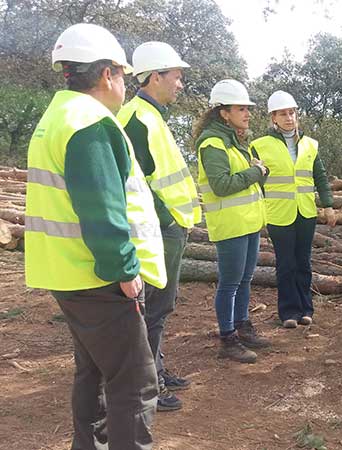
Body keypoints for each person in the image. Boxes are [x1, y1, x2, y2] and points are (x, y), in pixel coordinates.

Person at [25, 23, 166, 449]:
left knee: (91, 371)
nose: (124, 83)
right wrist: (124, 269)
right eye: (122, 74)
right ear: (107, 74)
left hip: (67, 274)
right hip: (100, 278)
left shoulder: (56, 117)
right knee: (136, 385)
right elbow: (102, 209)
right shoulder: (89, 123)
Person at [117, 41, 199, 412]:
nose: (180, 84)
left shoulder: (153, 116)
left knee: (160, 309)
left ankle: (157, 370)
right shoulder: (136, 119)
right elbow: (135, 180)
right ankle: (146, 386)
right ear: (155, 76)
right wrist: (167, 219)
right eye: (176, 76)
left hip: (169, 227)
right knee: (151, 310)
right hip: (157, 230)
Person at [193, 79, 269, 363]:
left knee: (245, 279)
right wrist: (255, 172)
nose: (248, 113)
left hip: (248, 223)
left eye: (248, 108)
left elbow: (250, 178)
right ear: (223, 112)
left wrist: (259, 171)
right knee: (229, 283)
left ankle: (243, 326)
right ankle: (227, 339)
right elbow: (221, 185)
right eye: (241, 108)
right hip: (230, 224)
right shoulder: (212, 143)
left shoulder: (237, 142)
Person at [250, 90, 335, 329]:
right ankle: (288, 312)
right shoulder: (258, 146)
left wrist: (328, 206)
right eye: (283, 114)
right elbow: (256, 182)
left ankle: (306, 309)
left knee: (303, 262)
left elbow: (320, 176)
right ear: (273, 118)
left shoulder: (310, 145)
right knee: (285, 264)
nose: (289, 118)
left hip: (306, 212)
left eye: (292, 113)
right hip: (278, 213)